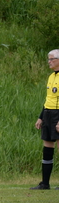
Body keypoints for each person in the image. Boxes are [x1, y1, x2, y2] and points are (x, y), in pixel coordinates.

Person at [30, 49, 59, 190]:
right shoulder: (51, 77)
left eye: (51, 59)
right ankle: (45, 183)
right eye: (48, 59)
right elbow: (49, 99)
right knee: (47, 147)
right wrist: (41, 117)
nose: (49, 61)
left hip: (58, 114)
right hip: (48, 113)